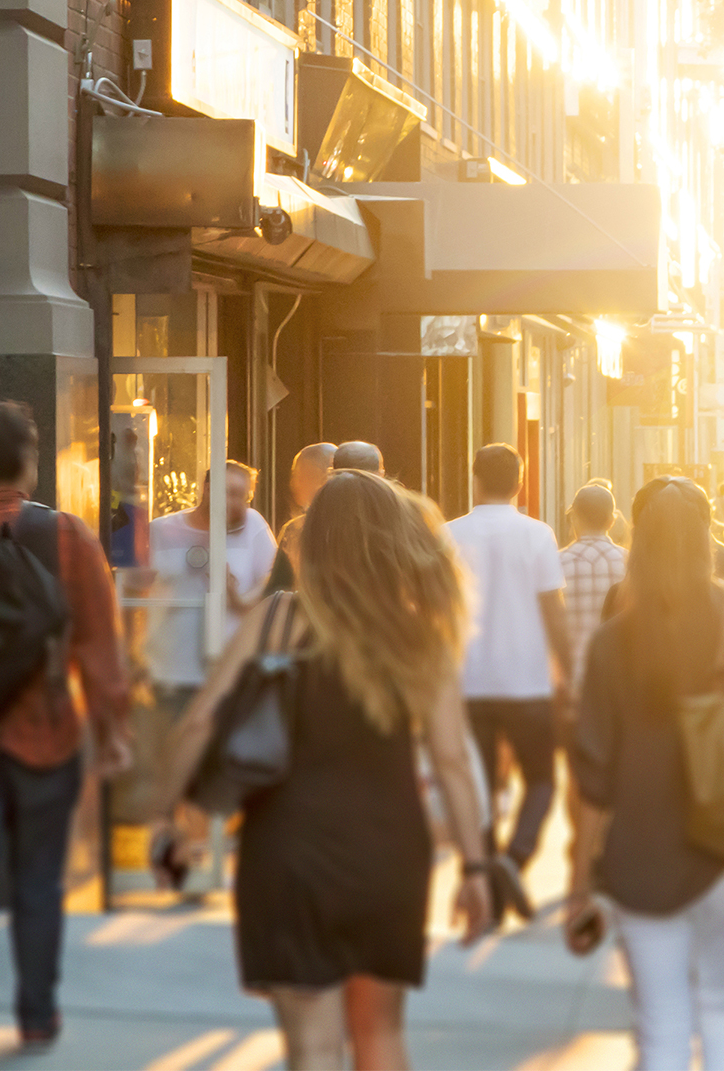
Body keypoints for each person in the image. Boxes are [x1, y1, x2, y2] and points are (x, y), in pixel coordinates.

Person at [154, 470, 491, 1069]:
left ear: (314, 542)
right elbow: (452, 761)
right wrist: (475, 865)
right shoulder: (417, 633)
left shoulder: (276, 619)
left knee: (312, 1046)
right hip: (388, 855)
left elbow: (202, 721)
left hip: (288, 853)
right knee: (380, 1035)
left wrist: (168, 816)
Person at [568, 476, 724, 1071]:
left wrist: (580, 881)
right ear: (707, 538)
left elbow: (593, 780)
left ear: (638, 543)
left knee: (661, 1027)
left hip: (643, 859)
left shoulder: (612, 643)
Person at [0, 402, 130, 1050]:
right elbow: (100, 645)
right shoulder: (65, 535)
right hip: (44, 730)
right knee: (40, 882)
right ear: (27, 463)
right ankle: (37, 1015)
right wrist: (112, 731)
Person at [445, 444, 572, 922]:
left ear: (474, 478)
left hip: (469, 680)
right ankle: (514, 859)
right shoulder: (537, 535)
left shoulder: (449, 535)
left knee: (478, 788)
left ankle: (487, 889)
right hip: (527, 681)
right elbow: (553, 612)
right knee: (541, 779)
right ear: (520, 482)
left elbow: (438, 611)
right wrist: (569, 670)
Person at [147, 462, 278, 700]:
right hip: (171, 672)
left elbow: (272, 582)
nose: (236, 502)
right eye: (229, 492)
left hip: (231, 672)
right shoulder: (160, 530)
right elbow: (133, 590)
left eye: (242, 496)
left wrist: (238, 598)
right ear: (207, 489)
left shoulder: (252, 525)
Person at [559, 484, 626, 691]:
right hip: (617, 680)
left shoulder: (556, 563)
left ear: (574, 518)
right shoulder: (630, 563)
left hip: (570, 679)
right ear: (612, 521)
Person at [267, 443, 337, 593]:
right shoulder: (362, 525)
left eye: (297, 476)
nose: (293, 483)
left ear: (320, 478)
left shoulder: (296, 530)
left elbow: (279, 587)